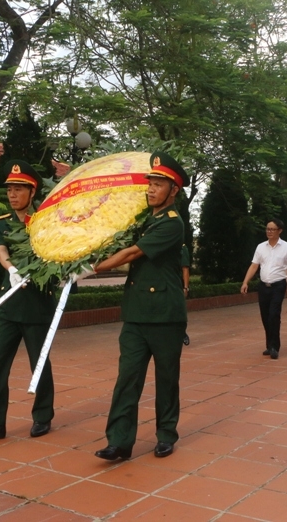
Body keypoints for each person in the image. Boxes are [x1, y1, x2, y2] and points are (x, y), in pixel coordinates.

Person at [92, 151, 189, 461]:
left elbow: (132, 254)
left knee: (166, 379)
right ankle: (119, 441)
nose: (151, 189)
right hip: (135, 315)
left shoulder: (172, 224)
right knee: (127, 379)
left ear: (173, 191)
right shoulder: (145, 221)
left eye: (159, 185)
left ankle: (165, 434)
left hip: (164, 315)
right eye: (150, 183)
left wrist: (92, 269)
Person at [0, 160, 56, 440]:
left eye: (18, 189)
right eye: (10, 190)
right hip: (9, 303)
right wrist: (11, 268)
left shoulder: (46, 223)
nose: (12, 194)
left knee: (39, 363)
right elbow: (1, 250)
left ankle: (42, 416)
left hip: (38, 304)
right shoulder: (0, 224)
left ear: (32, 191)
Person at [241, 219, 287, 360]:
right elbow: (254, 265)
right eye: (268, 229)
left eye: (272, 229)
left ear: (280, 231)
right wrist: (245, 282)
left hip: (278, 285)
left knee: (274, 315)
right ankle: (269, 344)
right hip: (263, 285)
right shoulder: (261, 247)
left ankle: (274, 346)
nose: (269, 232)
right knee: (265, 316)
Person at [181, 244, 191, 345]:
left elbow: (185, 269)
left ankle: (182, 333)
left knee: (179, 311)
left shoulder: (182, 247)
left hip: (176, 285)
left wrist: (185, 287)